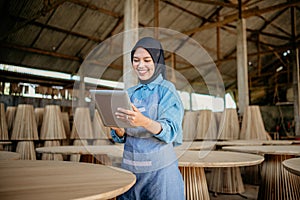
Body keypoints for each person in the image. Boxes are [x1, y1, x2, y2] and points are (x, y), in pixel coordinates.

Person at [111, 37, 185, 200]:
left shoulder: (167, 90)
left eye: (147, 60)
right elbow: (122, 136)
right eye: (136, 60)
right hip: (131, 169)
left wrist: (143, 121)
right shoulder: (129, 93)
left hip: (160, 172)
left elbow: (170, 131)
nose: (140, 65)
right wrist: (116, 126)